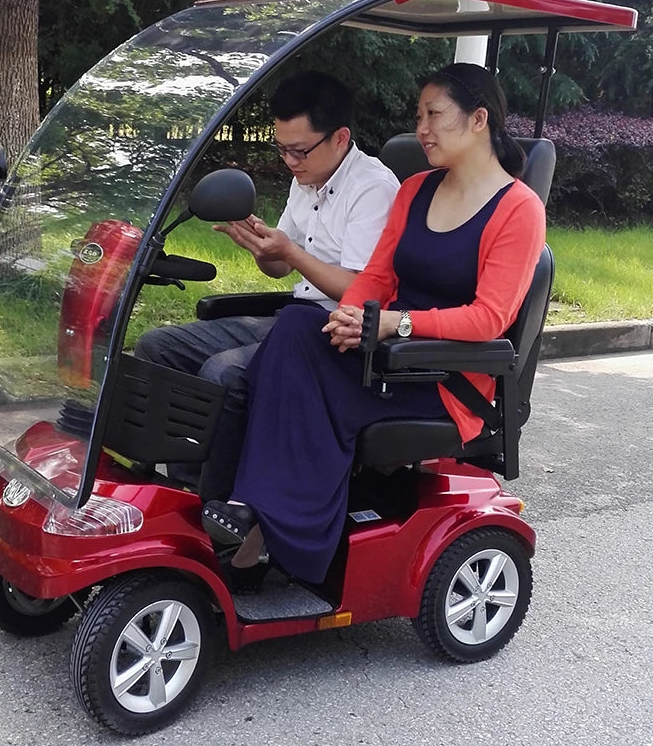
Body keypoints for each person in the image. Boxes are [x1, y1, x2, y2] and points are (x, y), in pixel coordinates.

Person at [202, 62, 547, 589]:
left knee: (289, 364)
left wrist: (393, 325)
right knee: (296, 326)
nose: (421, 129)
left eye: (433, 114)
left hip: (442, 380)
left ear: (479, 120)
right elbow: (378, 276)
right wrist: (350, 315)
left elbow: (489, 318)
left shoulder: (518, 209)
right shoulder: (415, 190)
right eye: (419, 115)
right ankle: (253, 515)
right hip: (384, 355)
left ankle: (263, 527)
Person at [134, 70, 400, 501]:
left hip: (341, 333)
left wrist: (291, 253)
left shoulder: (372, 188)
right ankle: (179, 484)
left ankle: (218, 502)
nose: (290, 163)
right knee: (158, 346)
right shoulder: (305, 178)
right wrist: (265, 253)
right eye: (282, 149)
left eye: (299, 151)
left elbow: (358, 289)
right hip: (294, 316)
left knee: (224, 371)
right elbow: (281, 272)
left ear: (339, 138)